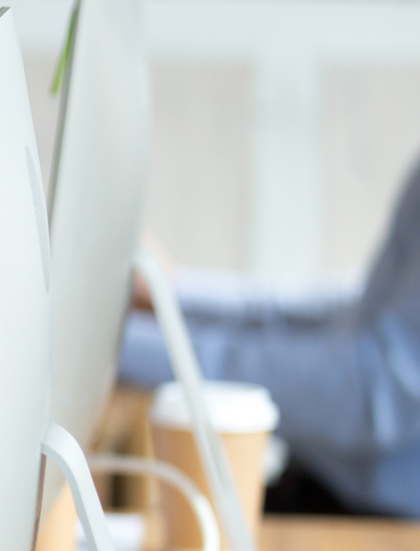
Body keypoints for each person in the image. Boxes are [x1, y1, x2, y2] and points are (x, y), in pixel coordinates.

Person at [121, 156, 420, 520]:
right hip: (327, 493)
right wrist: (168, 294)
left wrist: (120, 345)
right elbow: (355, 315)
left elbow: (375, 394)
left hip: (385, 531)